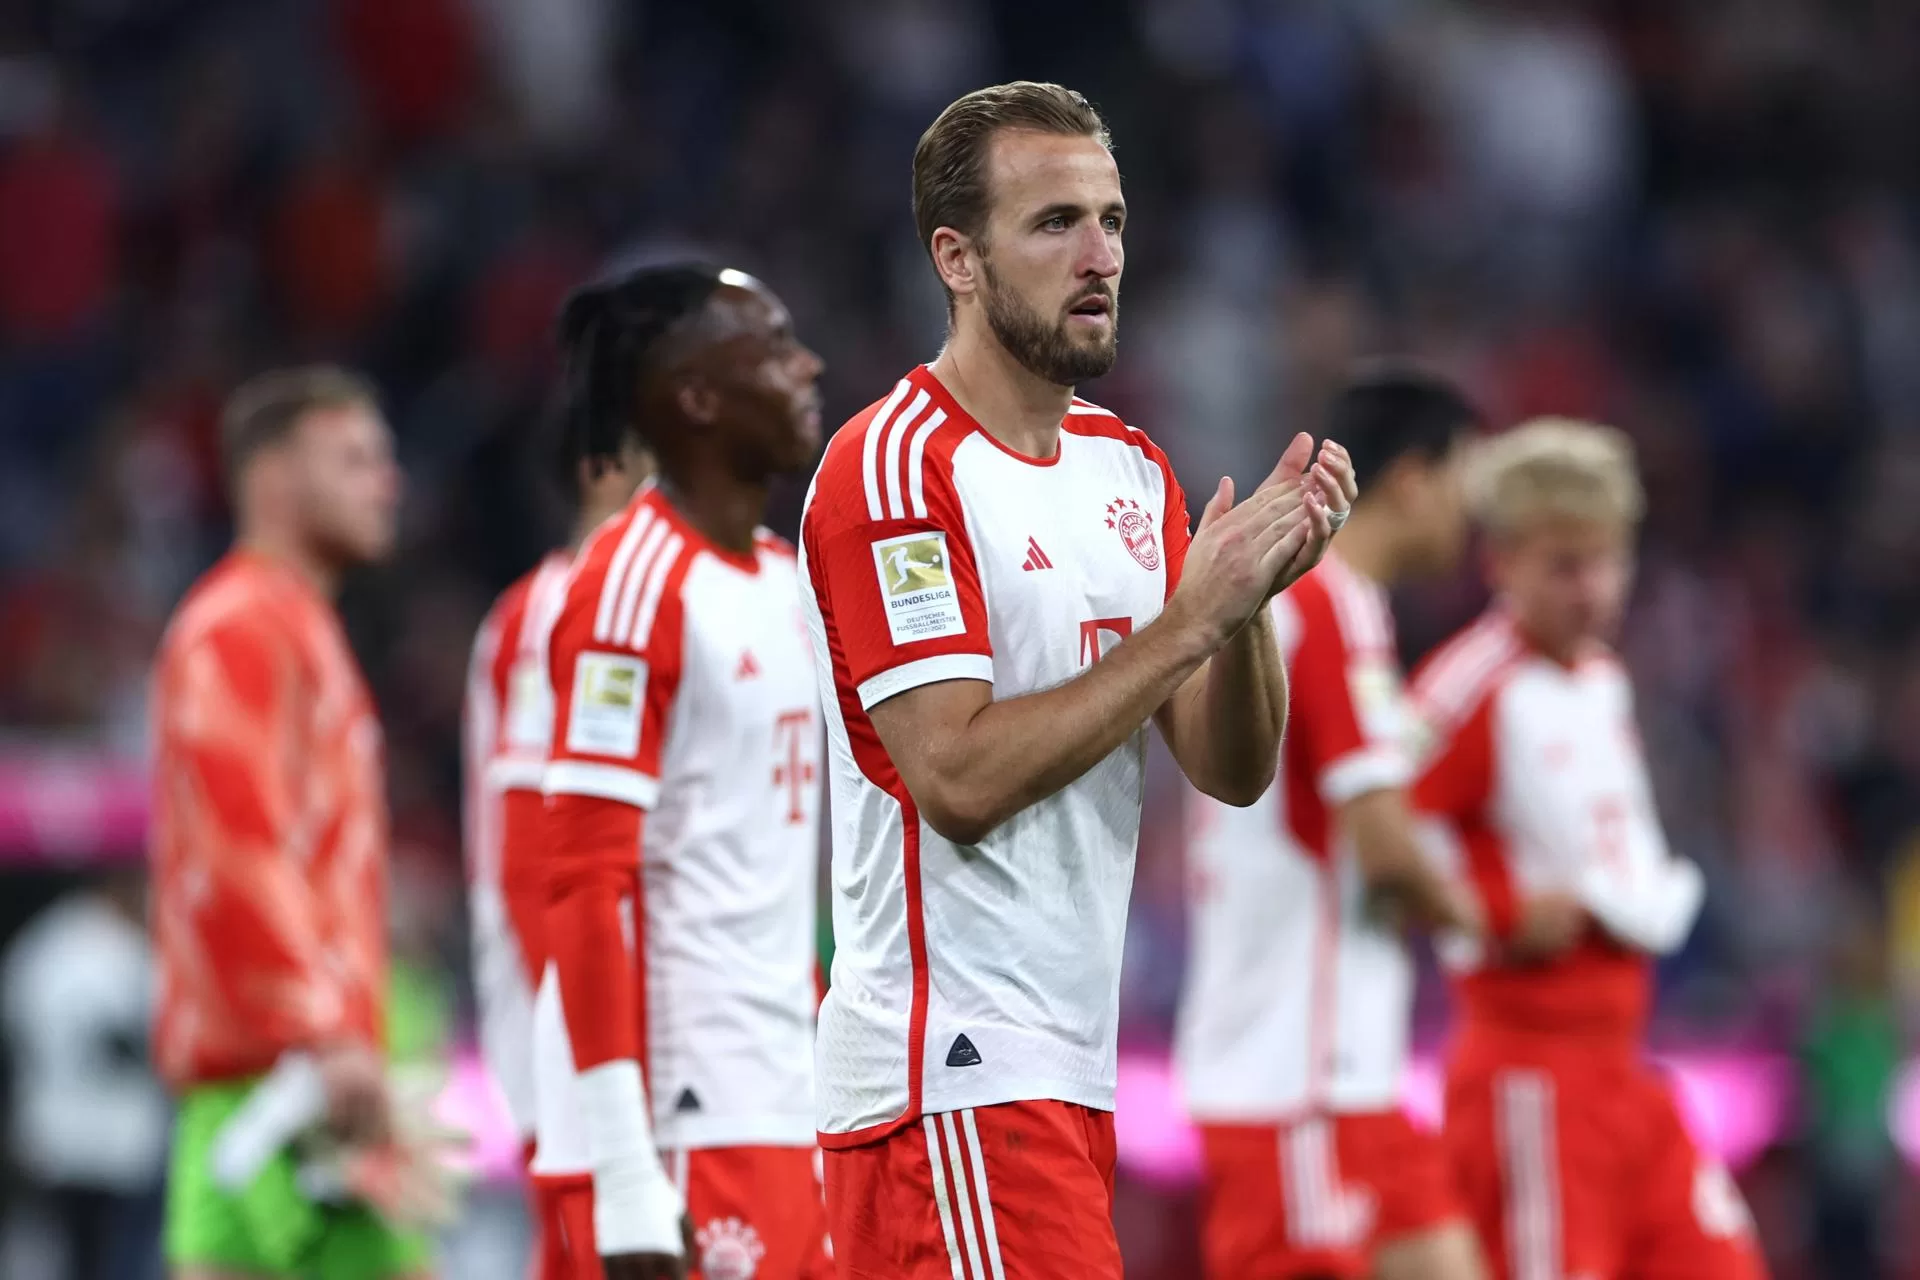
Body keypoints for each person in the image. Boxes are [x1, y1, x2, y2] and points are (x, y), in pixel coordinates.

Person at [797, 81, 1356, 1279]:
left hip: (1062, 1070)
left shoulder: (1125, 463)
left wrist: (1244, 611)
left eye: (1110, 219)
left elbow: (1231, 765)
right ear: (956, 256)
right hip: (947, 1080)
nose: (1099, 254)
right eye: (1054, 223)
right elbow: (952, 772)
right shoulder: (893, 468)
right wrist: (1185, 621)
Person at [1409, 419, 1767, 1280]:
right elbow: (1376, 830)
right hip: (1527, 1072)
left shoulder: (1601, 678)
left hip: (1626, 1063)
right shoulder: (1465, 689)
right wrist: (1495, 915)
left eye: (1610, 561)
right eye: (1565, 565)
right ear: (1501, 562)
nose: (1595, 589)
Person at [532, 263, 832, 1280]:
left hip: (785, 1086)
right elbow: (581, 878)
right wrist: (624, 1166)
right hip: (675, 1116)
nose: (809, 366)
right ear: (697, 396)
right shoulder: (631, 585)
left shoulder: (789, 578)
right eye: (776, 346)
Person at [1176, 366, 1489, 1280]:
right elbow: (1385, 851)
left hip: (1352, 1075)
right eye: (1463, 482)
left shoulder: (1333, 607)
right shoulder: (1329, 602)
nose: (1471, 518)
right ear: (1414, 479)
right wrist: (1495, 924)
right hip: (1294, 1076)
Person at [147, 366, 428, 1280]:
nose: (385, 481)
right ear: (272, 478)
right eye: (352, 459)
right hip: (281, 1079)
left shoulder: (301, 626)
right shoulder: (237, 625)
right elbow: (237, 849)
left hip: (293, 1079)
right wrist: (324, 1027)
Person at [462, 361, 653, 1278]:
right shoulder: (547, 614)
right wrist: (600, 1071)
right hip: (591, 1063)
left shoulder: (665, 595)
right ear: (602, 467)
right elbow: (538, 862)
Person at [1, 869, 167, 1280]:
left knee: (68, 1254)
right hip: (112, 1137)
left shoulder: (43, 941)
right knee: (111, 1257)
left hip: (54, 1130)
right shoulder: (113, 945)